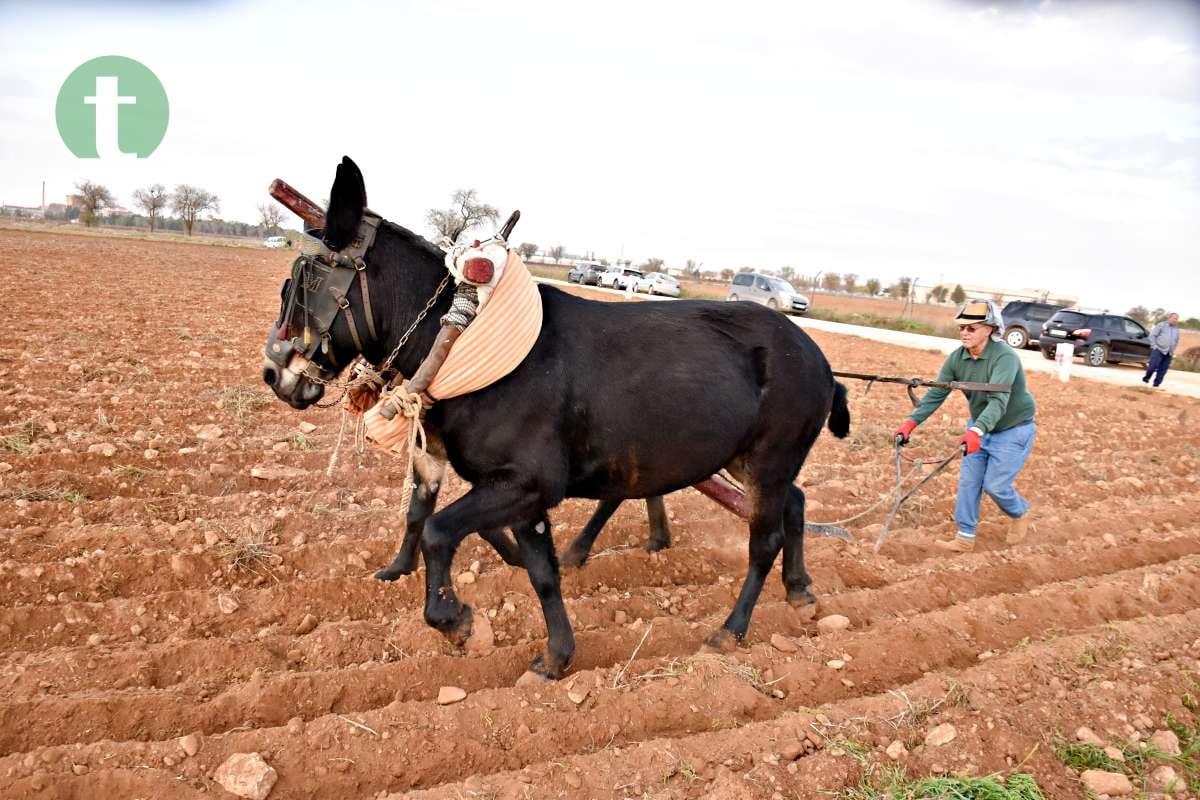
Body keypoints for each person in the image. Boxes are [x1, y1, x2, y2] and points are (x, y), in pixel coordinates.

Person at [893, 301, 1038, 553]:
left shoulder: (1005, 358)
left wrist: (976, 431)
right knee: (969, 483)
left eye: (971, 328)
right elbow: (936, 395)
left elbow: (998, 402)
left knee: (996, 486)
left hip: (1012, 430)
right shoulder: (957, 358)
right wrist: (910, 423)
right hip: (979, 428)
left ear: (989, 329)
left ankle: (1020, 512)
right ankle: (964, 538)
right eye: (962, 327)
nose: (964, 332)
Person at [1143, 312, 1180, 388]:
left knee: (1163, 370)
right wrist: (1154, 346)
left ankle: (1156, 384)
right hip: (1158, 350)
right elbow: (1152, 336)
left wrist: (1173, 349)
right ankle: (1146, 378)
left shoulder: (1177, 329)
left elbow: (1176, 340)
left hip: (1169, 352)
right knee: (1153, 366)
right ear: (1169, 318)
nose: (1175, 320)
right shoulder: (1161, 325)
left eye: (1177, 319)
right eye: (1174, 318)